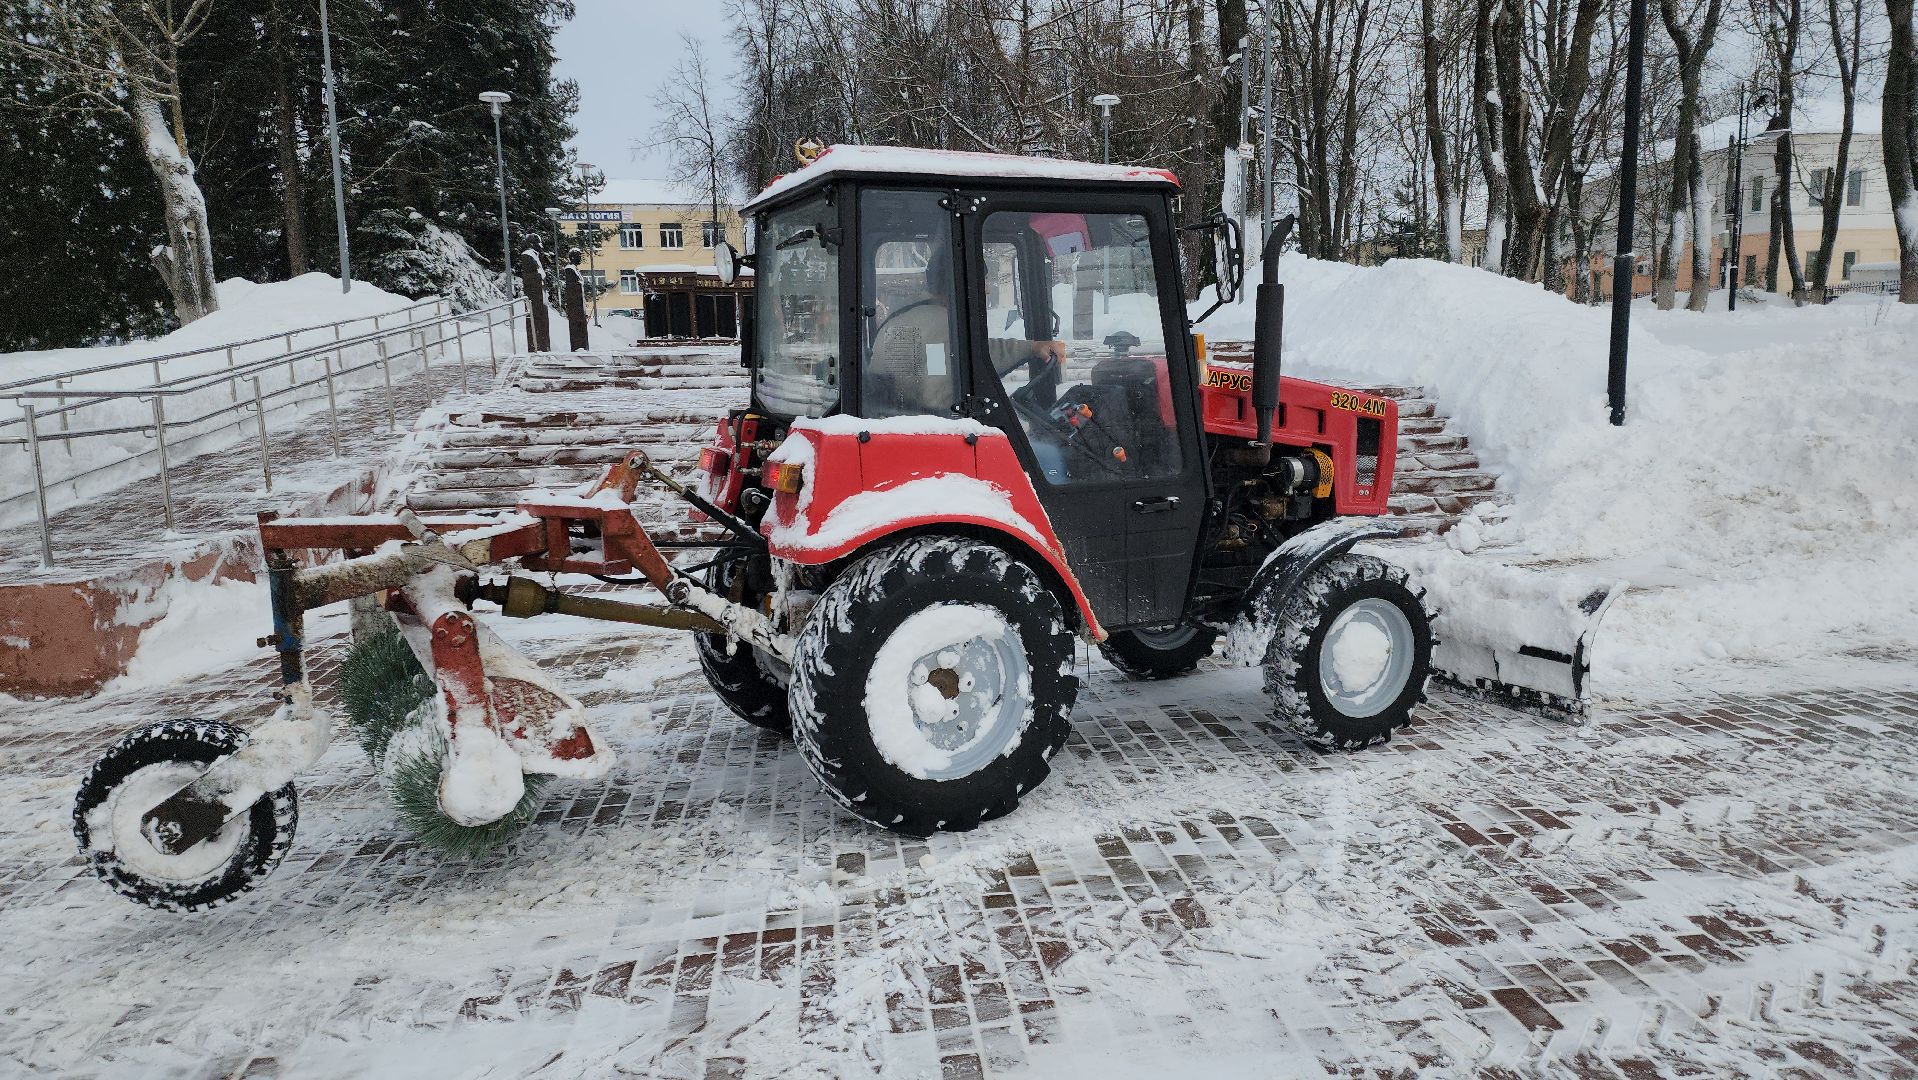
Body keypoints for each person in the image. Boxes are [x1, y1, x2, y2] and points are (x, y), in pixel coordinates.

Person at [866, 256, 1066, 416]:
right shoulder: (942, 325)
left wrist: (1032, 347)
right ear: (962, 282)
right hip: (927, 430)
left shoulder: (903, 318)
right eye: (983, 280)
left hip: (894, 420)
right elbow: (939, 397)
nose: (987, 289)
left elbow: (978, 351)